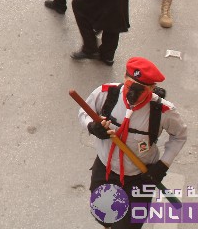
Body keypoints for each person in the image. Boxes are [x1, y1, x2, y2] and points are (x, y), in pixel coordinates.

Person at [78, 57, 187, 229]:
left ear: (152, 88)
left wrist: (162, 166)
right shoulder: (106, 93)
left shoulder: (163, 111)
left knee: (129, 226)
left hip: (140, 177)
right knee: (102, 214)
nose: (133, 95)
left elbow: (179, 135)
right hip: (105, 169)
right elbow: (84, 112)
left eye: (141, 90)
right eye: (130, 86)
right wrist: (92, 127)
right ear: (124, 77)